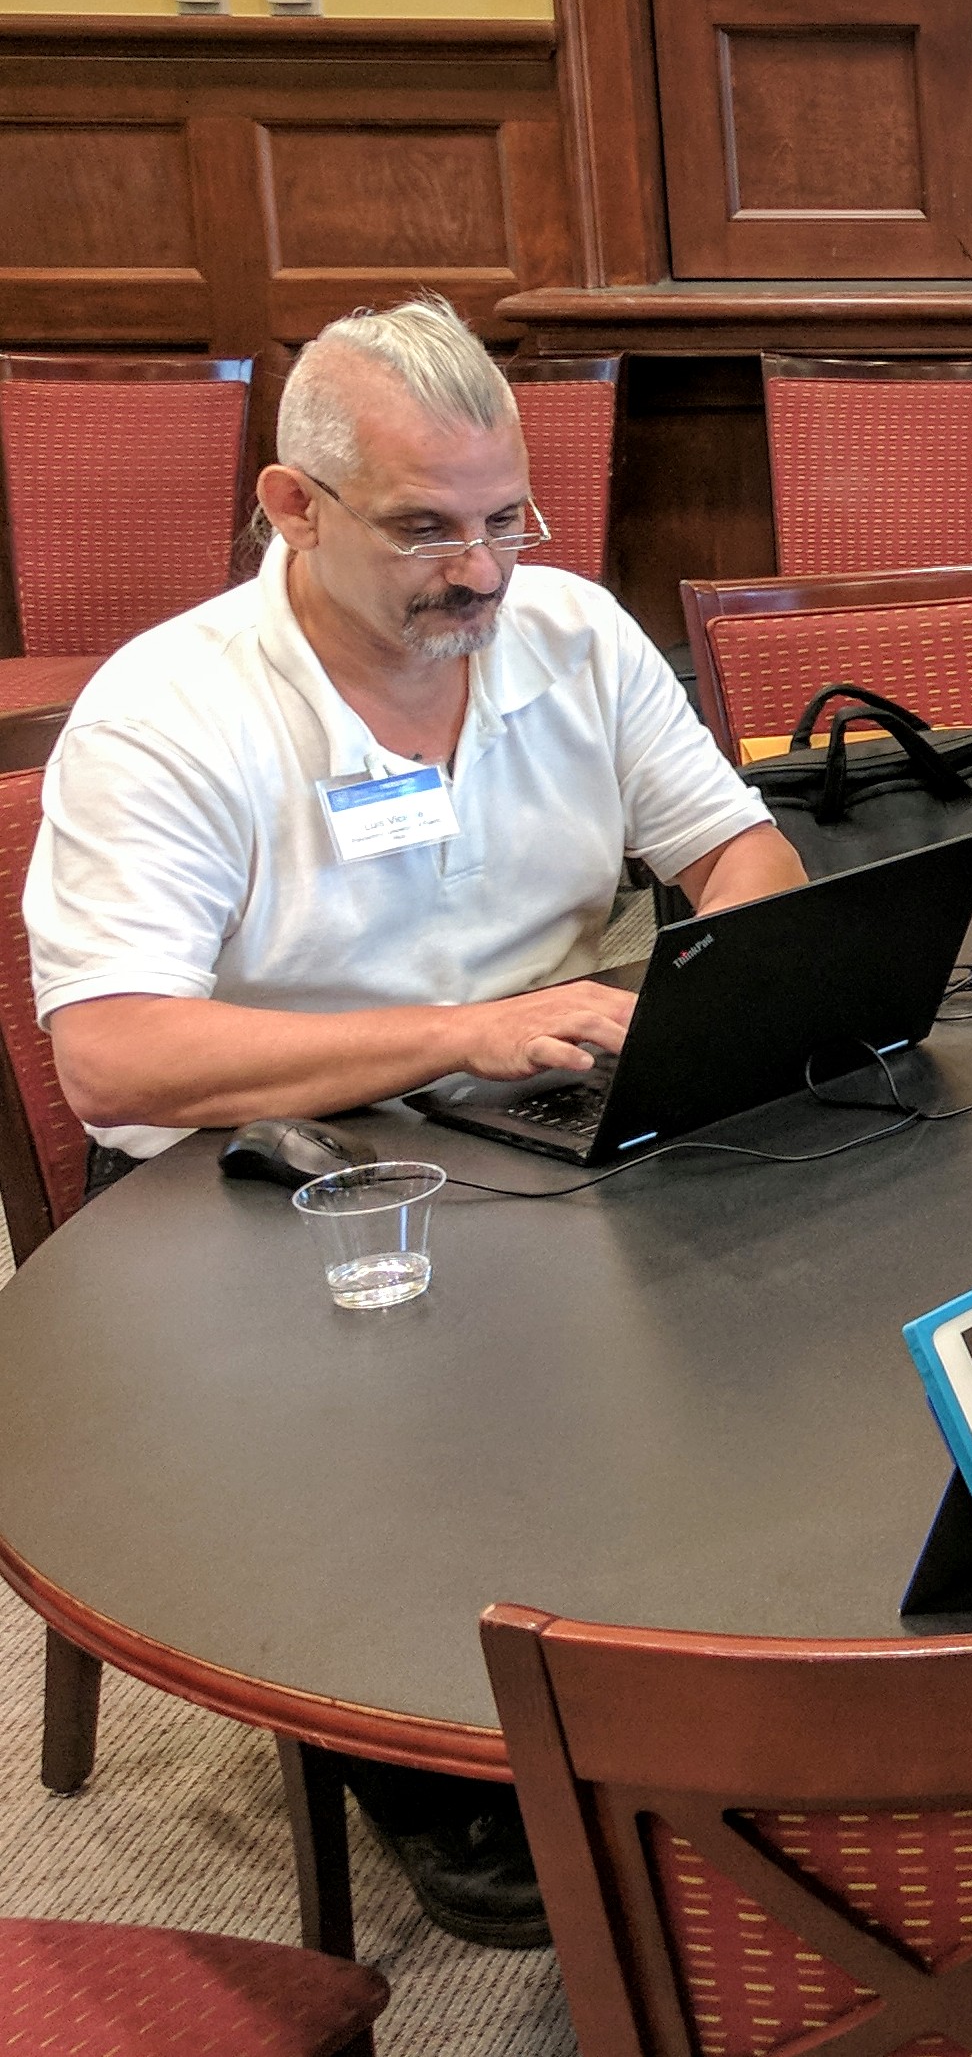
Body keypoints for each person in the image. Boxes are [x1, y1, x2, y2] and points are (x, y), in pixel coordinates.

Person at [25, 295, 802, 1947]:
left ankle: (717, 1661)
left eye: (504, 518)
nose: (481, 572)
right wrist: (464, 1029)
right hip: (252, 1170)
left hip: (526, 1110)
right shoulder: (174, 709)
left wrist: (711, 978)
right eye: (424, 530)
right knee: (444, 1381)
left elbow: (740, 851)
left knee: (803, 1271)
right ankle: (441, 1737)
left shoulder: (574, 638)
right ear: (290, 506)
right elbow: (109, 1058)